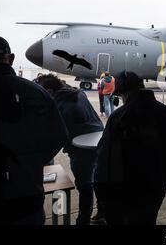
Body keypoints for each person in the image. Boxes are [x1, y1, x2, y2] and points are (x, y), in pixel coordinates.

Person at [0, 35, 68, 225]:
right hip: (27, 195)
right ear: (10, 59)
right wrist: (30, 161)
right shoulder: (37, 91)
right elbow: (60, 135)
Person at [95, 71, 166, 224]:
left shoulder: (119, 117)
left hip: (126, 189)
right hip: (156, 186)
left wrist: (101, 193)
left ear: (124, 93)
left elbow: (105, 158)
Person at [36, 74, 104, 225]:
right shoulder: (76, 93)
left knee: (85, 185)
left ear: (49, 91)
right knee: (97, 179)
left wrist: (41, 158)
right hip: (97, 140)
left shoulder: (63, 106)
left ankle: (83, 220)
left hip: (82, 149)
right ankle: (102, 213)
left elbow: (58, 137)